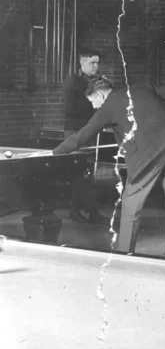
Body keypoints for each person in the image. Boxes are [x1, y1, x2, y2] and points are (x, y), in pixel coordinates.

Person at [51, 78, 165, 256]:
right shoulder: (141, 86)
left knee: (131, 204)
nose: (94, 107)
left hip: (150, 154)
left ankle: (124, 254)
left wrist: (55, 152)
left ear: (101, 95)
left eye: (94, 102)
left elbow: (82, 135)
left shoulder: (107, 107)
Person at [61, 48, 108, 224]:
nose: (96, 66)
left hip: (91, 130)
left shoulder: (98, 81)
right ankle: (79, 210)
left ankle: (90, 210)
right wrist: (93, 95)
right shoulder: (72, 81)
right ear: (82, 64)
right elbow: (72, 109)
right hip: (75, 131)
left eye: (97, 62)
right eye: (92, 63)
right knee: (78, 172)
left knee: (88, 172)